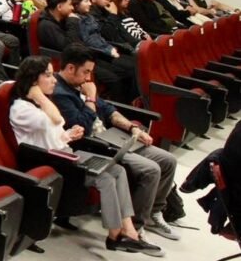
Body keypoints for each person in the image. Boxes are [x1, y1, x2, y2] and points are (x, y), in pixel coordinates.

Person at [9, 56, 161, 255]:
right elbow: (56, 120)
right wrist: (40, 96)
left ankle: (129, 231)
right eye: (48, 75)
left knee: (117, 170)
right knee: (106, 178)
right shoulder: (21, 109)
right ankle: (115, 235)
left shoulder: (40, 105)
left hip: (66, 154)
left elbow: (52, 133)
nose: (54, 80)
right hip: (53, 162)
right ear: (33, 80)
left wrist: (69, 135)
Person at [51, 44, 178, 241]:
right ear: (70, 68)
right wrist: (90, 97)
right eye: (86, 72)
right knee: (151, 170)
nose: (88, 77)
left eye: (90, 72)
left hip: (113, 136)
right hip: (96, 145)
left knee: (169, 160)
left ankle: (154, 211)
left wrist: (132, 128)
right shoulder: (59, 93)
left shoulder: (81, 86)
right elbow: (82, 126)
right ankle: (135, 226)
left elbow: (108, 110)